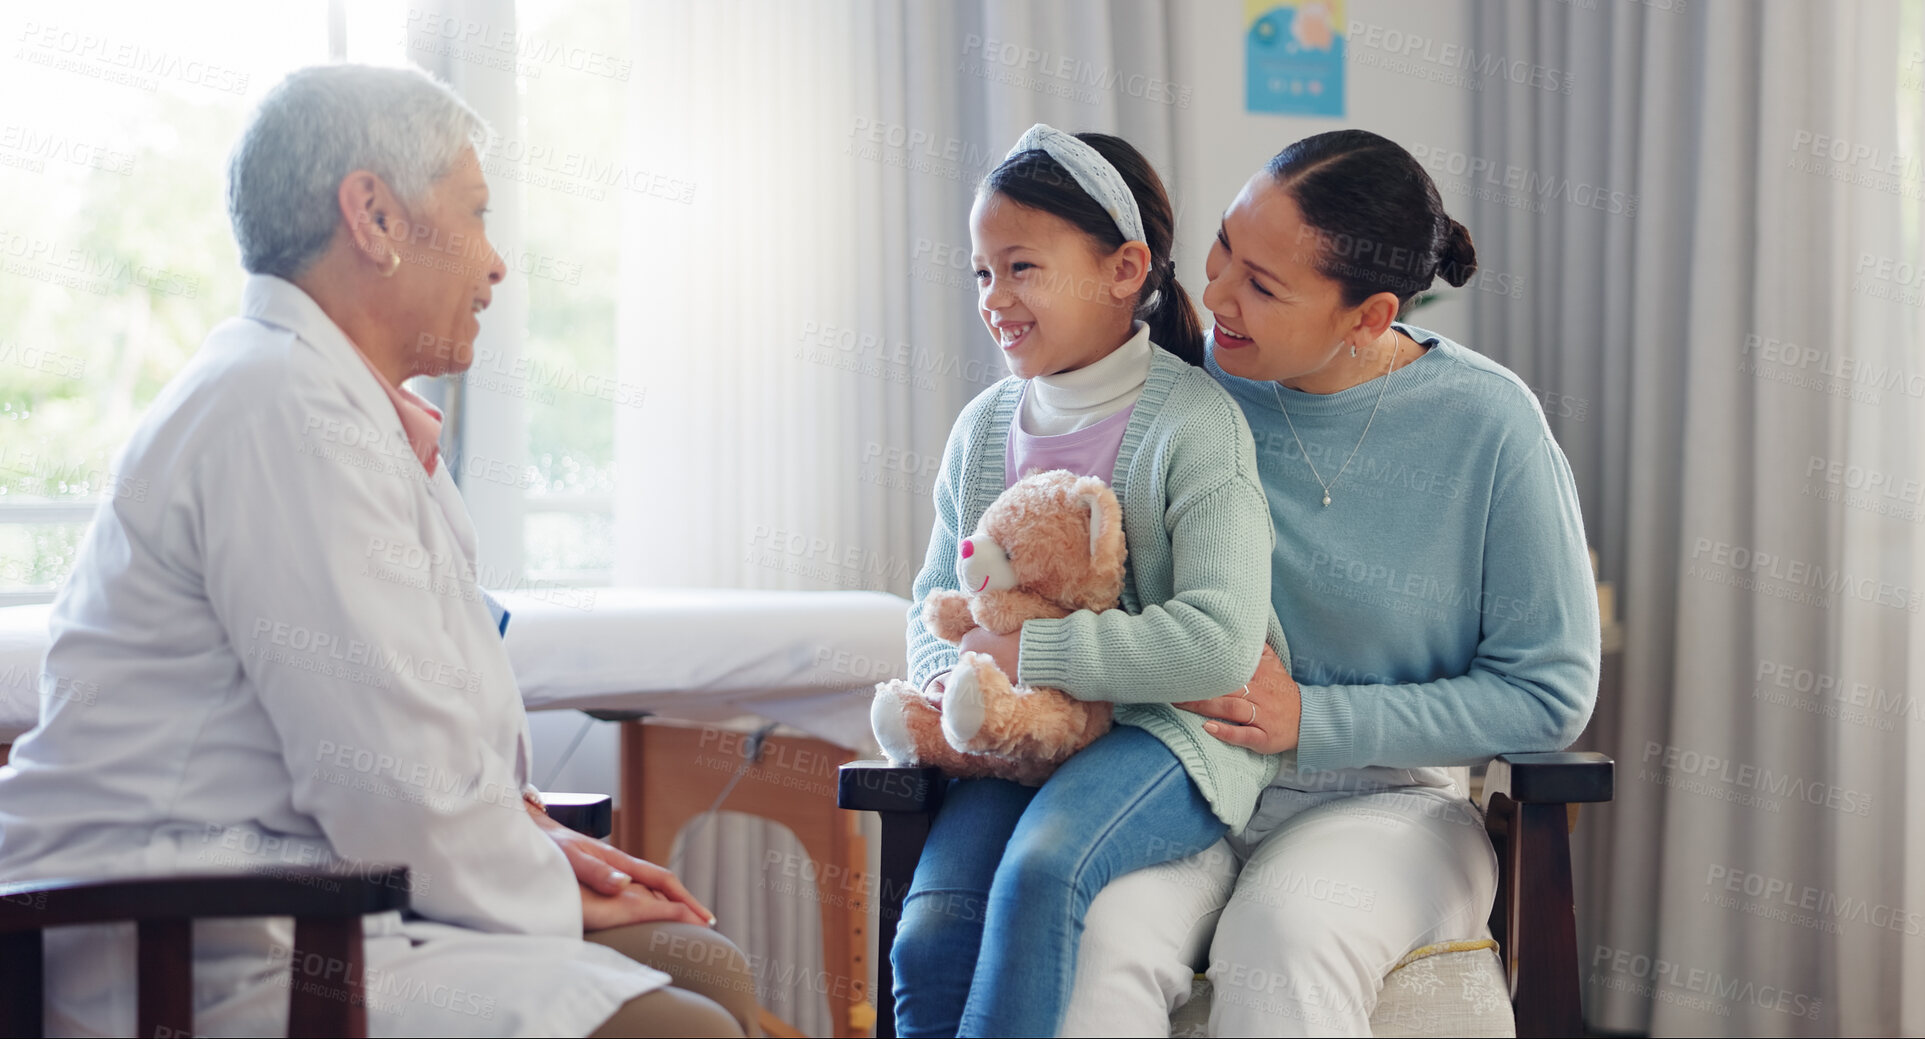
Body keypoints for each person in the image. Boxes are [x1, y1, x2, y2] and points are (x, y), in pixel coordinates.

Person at [0, 64, 757, 1038]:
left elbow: (417, 740)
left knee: (707, 969)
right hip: (178, 946)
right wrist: (541, 880)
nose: (496, 263)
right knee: (686, 1025)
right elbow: (381, 772)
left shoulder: (323, 401)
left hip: (296, 908)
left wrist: (530, 844)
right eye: (476, 213)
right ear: (374, 216)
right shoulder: (280, 407)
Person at [1063, 129, 1602, 1036]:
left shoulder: (1486, 422)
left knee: (1285, 932)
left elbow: (1548, 692)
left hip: (1389, 803)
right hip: (1188, 780)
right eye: (1225, 247)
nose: (1217, 294)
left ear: (1369, 315)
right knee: (1093, 934)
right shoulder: (1186, 394)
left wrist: (1312, 720)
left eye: (1263, 285)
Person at [885, 124, 1292, 1038]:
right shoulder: (981, 427)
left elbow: (1219, 640)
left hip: (1167, 734)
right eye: (981, 272)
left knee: (1040, 873)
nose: (995, 297)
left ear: (1123, 269)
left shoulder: (1198, 425)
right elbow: (932, 598)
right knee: (929, 933)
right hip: (1014, 733)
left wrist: (1031, 650)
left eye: (1021, 266)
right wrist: (948, 675)